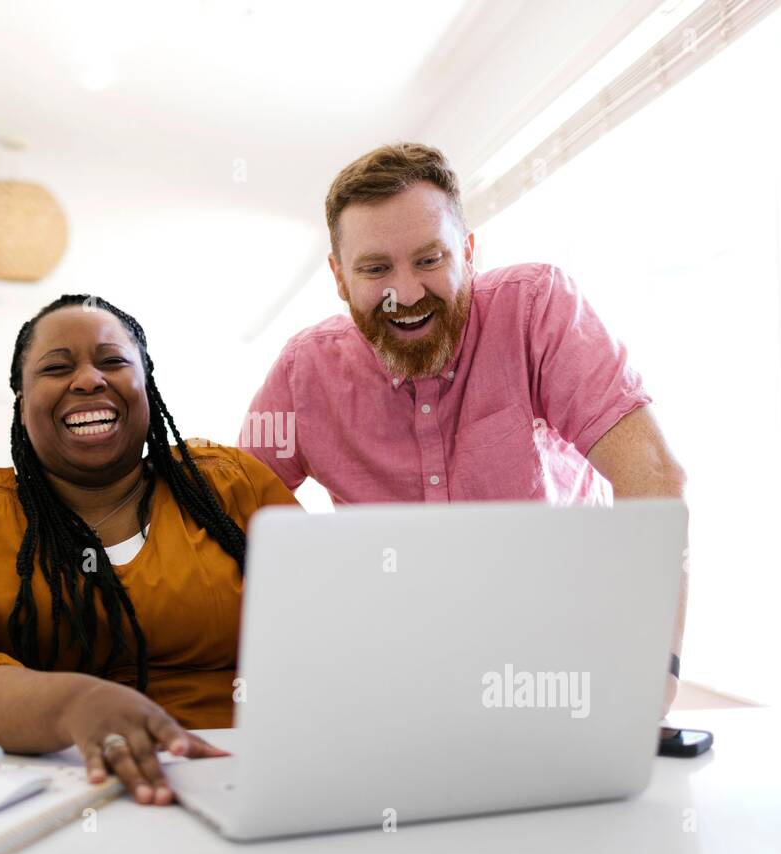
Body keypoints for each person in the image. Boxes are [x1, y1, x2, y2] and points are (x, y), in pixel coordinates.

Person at [240, 143, 688, 715]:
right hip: (400, 689)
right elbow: (230, 517)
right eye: (376, 269)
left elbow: (651, 476)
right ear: (338, 275)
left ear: (468, 252)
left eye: (429, 260)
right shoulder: (305, 372)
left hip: (563, 667)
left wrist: (656, 674)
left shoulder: (536, 309)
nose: (405, 294)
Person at [0, 294, 299, 805]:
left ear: (146, 385)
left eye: (112, 362)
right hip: (51, 790)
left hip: (242, 777)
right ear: (20, 399)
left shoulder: (233, 488)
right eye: (57, 368)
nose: (88, 380)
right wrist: (70, 706)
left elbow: (328, 630)